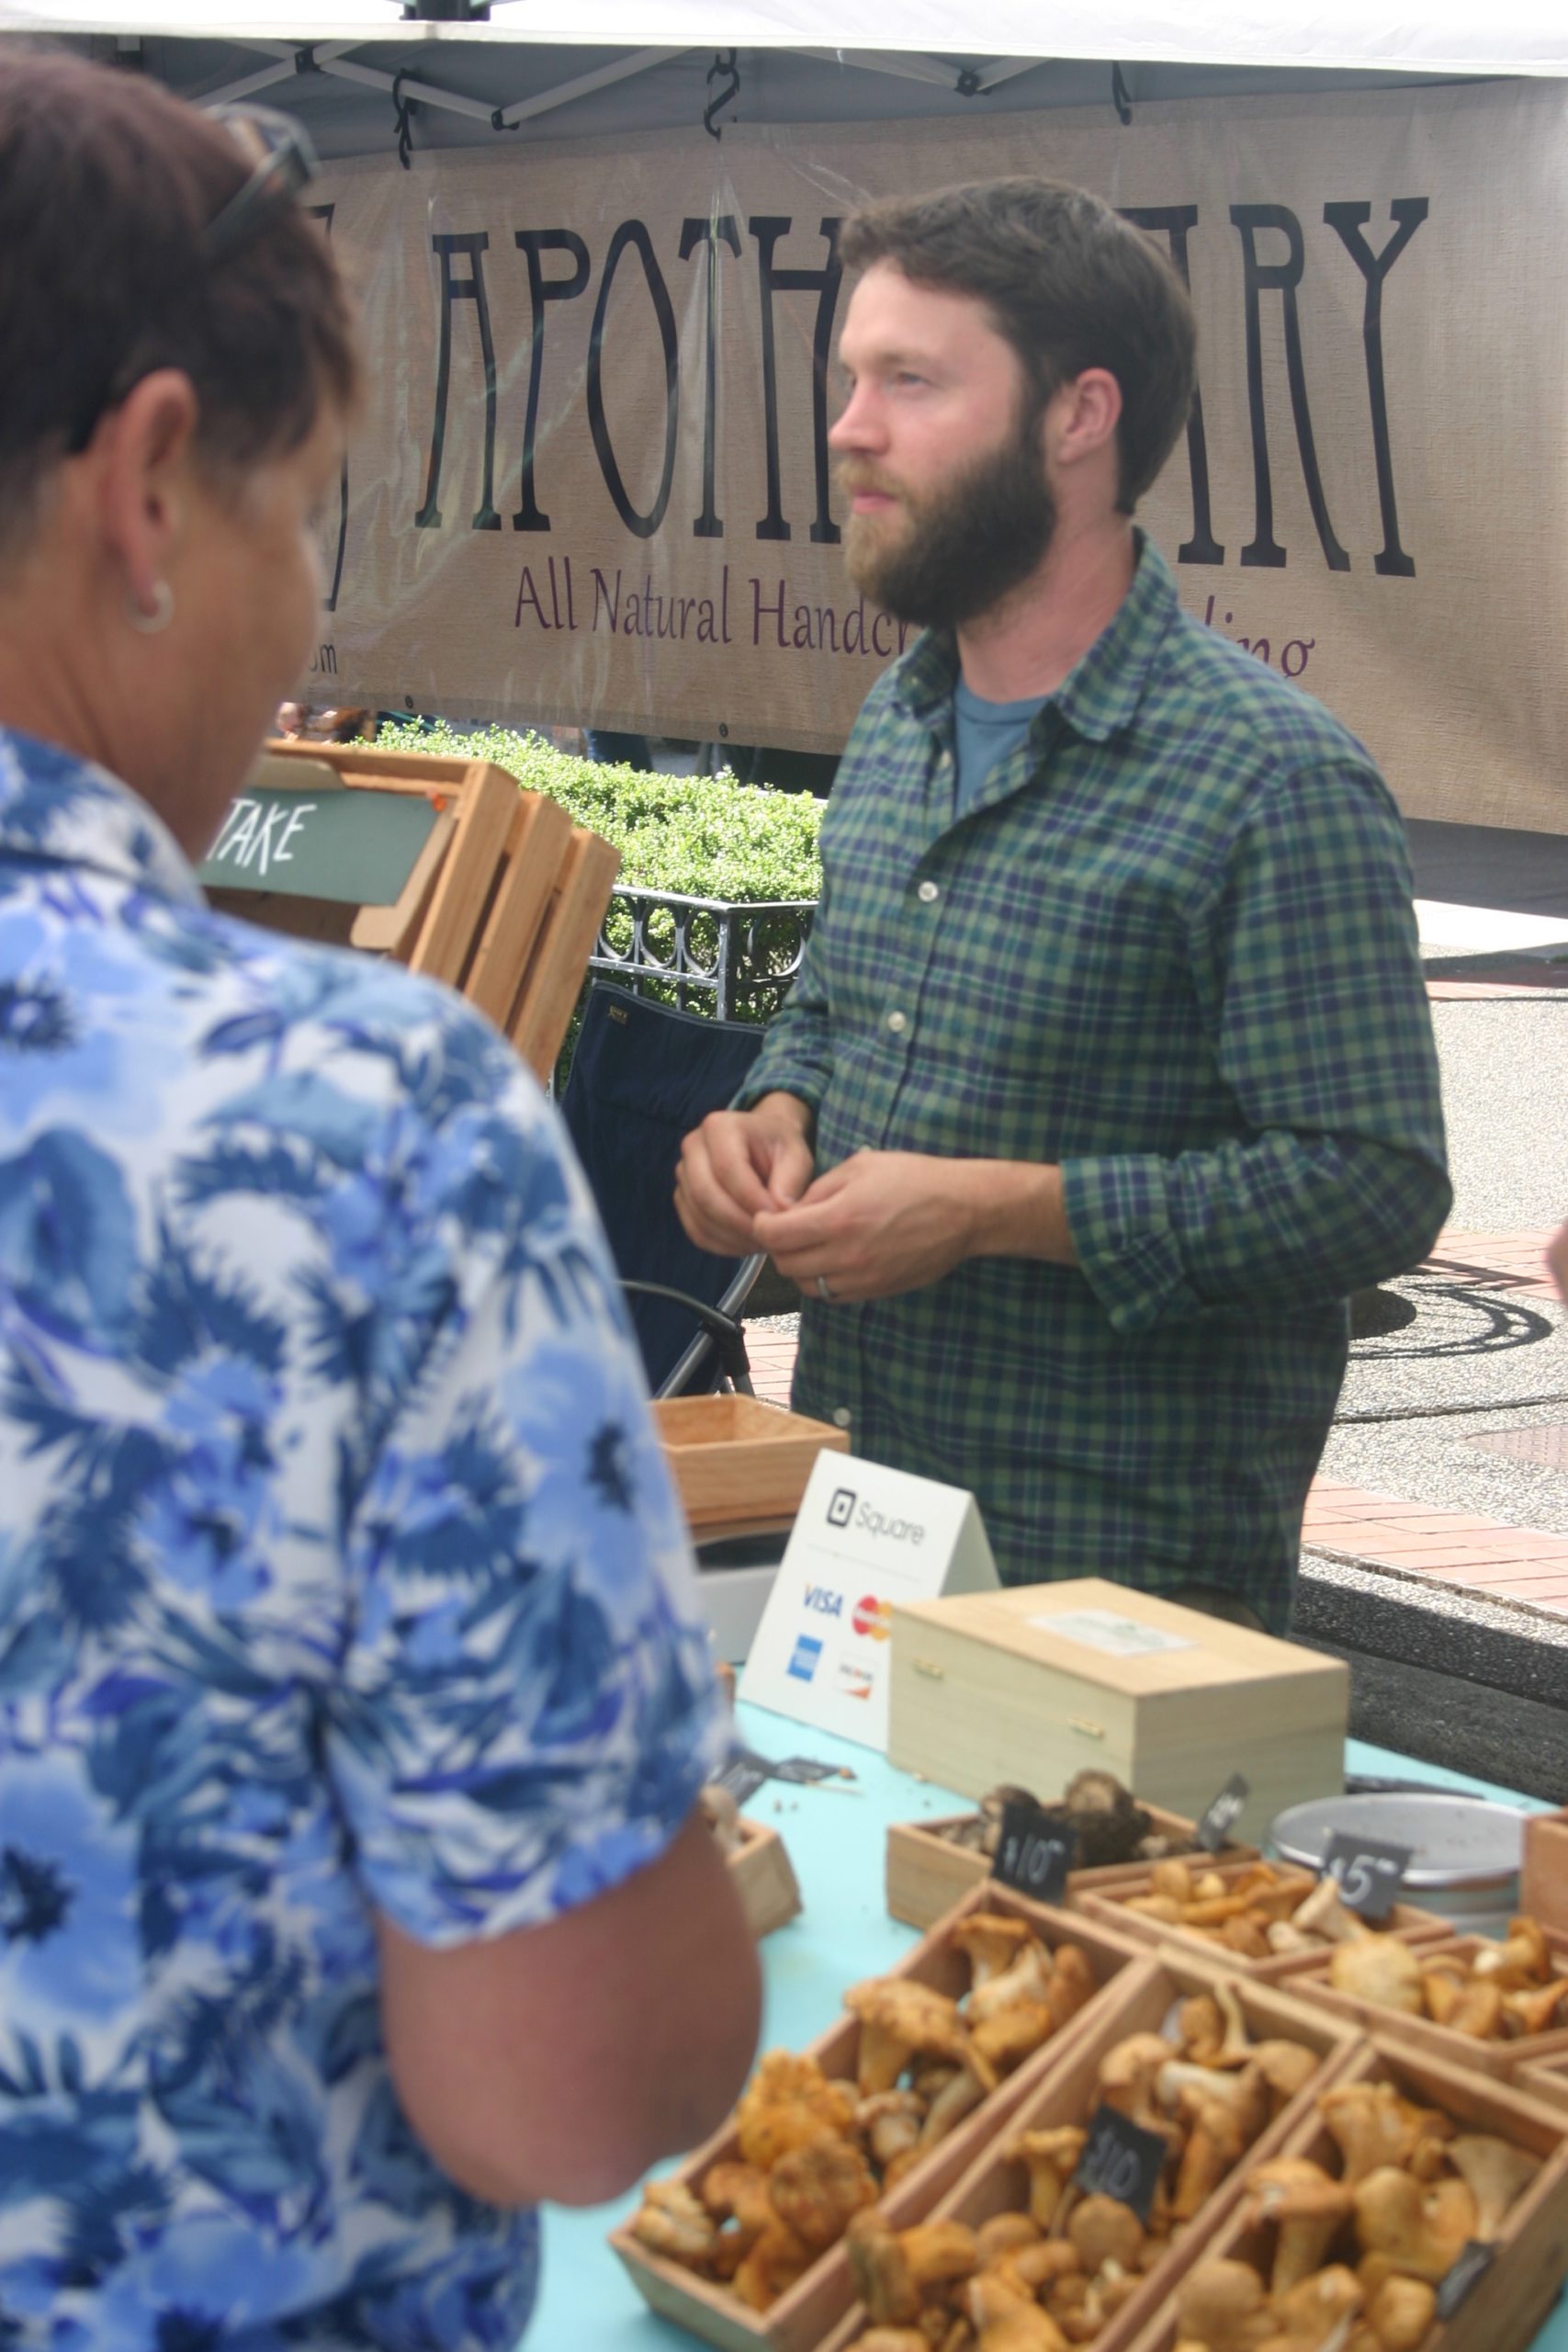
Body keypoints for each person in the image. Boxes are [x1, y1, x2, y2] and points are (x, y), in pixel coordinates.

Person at [0, 55, 758, 2346]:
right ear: (146, 484)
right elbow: (573, 2081)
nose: (306, 620)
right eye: (304, 514)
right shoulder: (359, 1123)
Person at [677, 177, 1450, 1634]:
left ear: (1079, 417)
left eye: (911, 380)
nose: (850, 426)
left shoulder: (1270, 776)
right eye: (852, 379)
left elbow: (1376, 1184)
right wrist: (772, 1116)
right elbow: (843, 1008)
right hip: (866, 1525)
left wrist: (999, 1213)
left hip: (1118, 1595)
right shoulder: (899, 721)